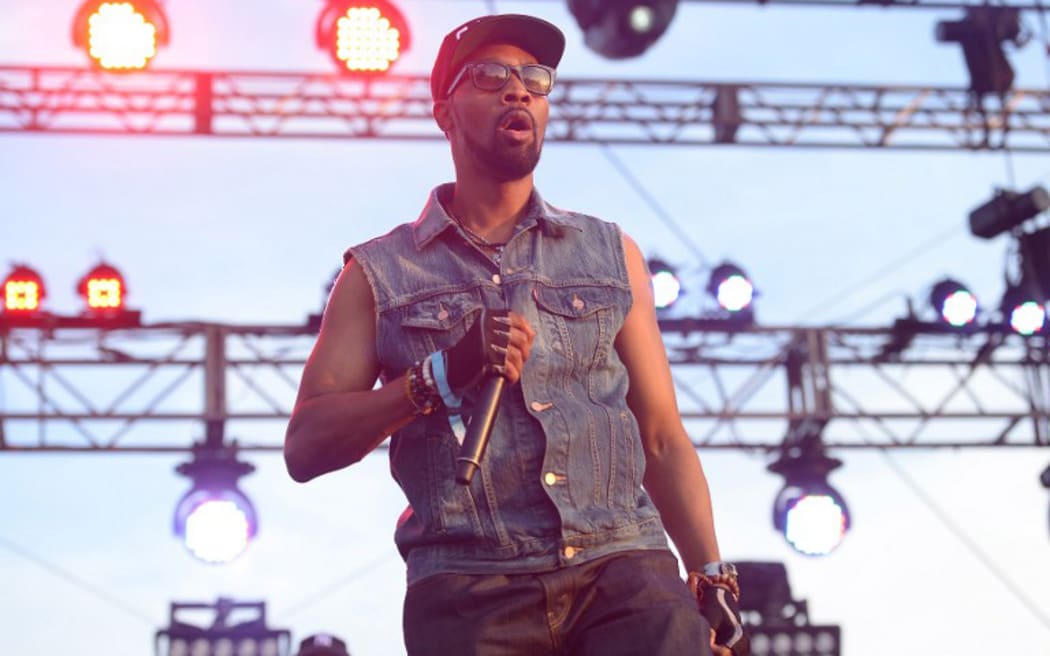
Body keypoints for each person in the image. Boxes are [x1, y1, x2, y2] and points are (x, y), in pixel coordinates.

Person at [284, 13, 748, 656]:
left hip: (625, 571)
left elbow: (663, 437)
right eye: (491, 75)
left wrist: (711, 574)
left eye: (535, 78)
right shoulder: (378, 275)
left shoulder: (612, 253)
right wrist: (436, 377)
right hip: (469, 592)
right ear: (444, 111)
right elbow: (306, 447)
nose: (519, 90)